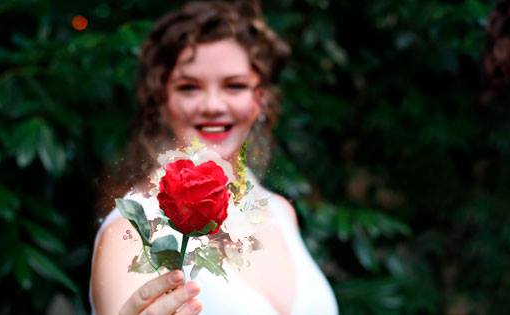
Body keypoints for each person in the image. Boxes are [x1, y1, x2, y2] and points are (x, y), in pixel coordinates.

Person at [89, 2, 338, 314]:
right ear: (161, 99)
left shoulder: (280, 212)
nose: (213, 105)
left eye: (235, 85)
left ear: (261, 98)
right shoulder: (132, 232)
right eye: (189, 87)